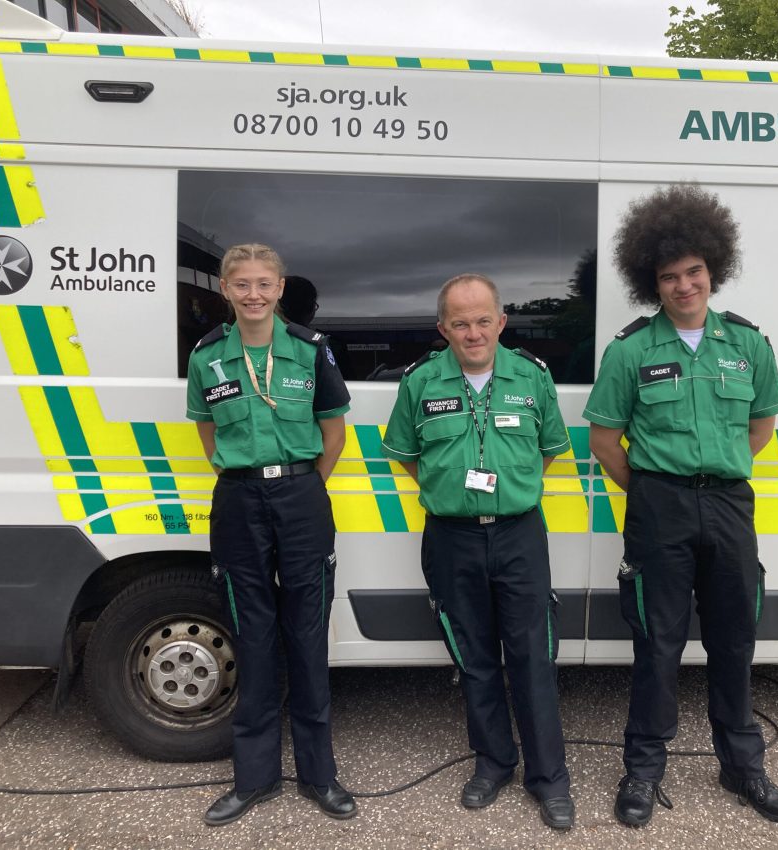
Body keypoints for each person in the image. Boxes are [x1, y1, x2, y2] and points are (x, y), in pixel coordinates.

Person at [584, 185, 778, 827]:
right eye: (669, 277)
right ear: (652, 282)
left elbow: (760, 427)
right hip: (660, 511)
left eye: (694, 272)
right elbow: (604, 440)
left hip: (731, 507)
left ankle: (743, 768)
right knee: (658, 644)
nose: (683, 286)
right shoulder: (629, 351)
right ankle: (644, 771)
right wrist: (657, 489)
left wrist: (715, 477)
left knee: (735, 642)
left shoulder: (748, 345)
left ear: (714, 269)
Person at [381, 274, 575, 830]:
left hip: (518, 534)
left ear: (501, 322)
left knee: (533, 655)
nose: (473, 332)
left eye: (482, 319)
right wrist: (454, 495)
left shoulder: (533, 378)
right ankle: (493, 762)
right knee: (474, 658)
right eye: (460, 322)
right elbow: (407, 454)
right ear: (443, 328)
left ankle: (549, 778)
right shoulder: (419, 382)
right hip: (451, 537)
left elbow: (549, 452)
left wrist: (509, 492)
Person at [185, 243, 357, 826]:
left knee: (307, 635)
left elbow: (333, 433)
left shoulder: (311, 352)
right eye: (242, 285)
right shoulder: (207, 356)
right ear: (225, 290)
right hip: (238, 498)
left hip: (302, 494)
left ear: (281, 288)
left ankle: (319, 776)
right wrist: (245, 474)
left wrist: (303, 485)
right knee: (251, 636)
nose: (253, 294)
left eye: (264, 283)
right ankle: (253, 779)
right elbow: (208, 432)